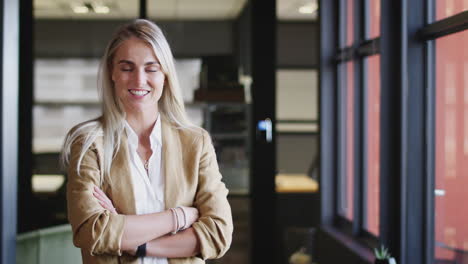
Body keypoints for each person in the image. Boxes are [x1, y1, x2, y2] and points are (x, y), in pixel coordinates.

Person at [61, 19, 233, 264]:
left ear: (165, 75)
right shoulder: (89, 143)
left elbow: (218, 235)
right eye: (127, 68)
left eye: (151, 68)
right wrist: (180, 217)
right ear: (112, 72)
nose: (139, 80)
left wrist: (138, 245)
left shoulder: (196, 143)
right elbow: (92, 232)